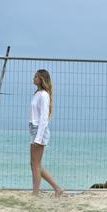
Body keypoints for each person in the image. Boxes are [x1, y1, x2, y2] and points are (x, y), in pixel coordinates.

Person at [29, 68, 64, 197]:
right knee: (33, 164)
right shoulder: (37, 93)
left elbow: (44, 118)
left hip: (39, 131)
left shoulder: (44, 95)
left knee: (36, 164)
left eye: (36, 77)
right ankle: (57, 188)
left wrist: (38, 138)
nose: (34, 78)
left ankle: (35, 193)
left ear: (42, 79)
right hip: (33, 129)